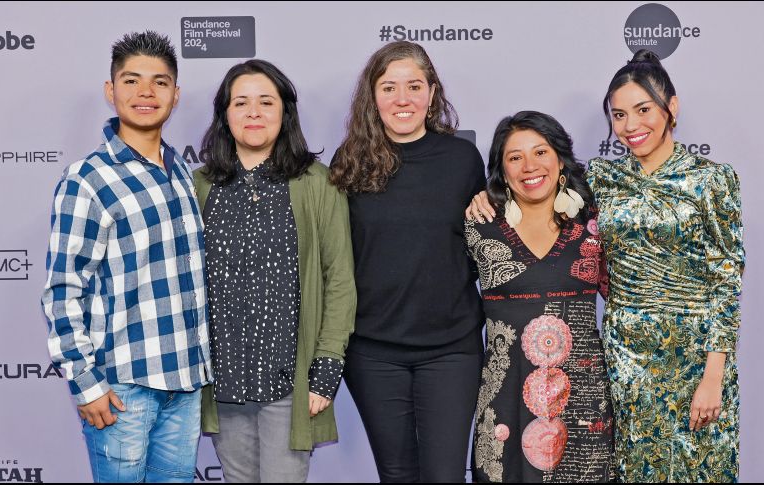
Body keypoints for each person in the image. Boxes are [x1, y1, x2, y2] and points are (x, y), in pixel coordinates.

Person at [468, 49, 744, 482]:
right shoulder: (602, 180)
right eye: (619, 115)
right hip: (623, 359)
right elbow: (538, 182)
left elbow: (726, 281)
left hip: (694, 355)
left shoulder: (713, 179)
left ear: (671, 107)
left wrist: (714, 374)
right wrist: (486, 194)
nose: (631, 125)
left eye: (643, 109)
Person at [41, 31, 212, 483]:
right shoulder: (87, 179)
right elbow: (62, 289)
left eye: (159, 82)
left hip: (184, 383)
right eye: (131, 80)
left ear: (176, 95)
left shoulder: (181, 172)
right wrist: (85, 383)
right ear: (110, 90)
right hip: (122, 389)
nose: (145, 92)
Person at [329, 40, 485, 482]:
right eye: (389, 87)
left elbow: (483, 247)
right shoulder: (350, 162)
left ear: (432, 93)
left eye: (414, 86)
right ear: (372, 96)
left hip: (451, 349)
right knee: (396, 475)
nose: (403, 99)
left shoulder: (462, 159)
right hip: (374, 352)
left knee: (445, 475)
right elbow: (336, 259)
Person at [193, 59, 356, 483]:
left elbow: (339, 281)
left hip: (290, 380)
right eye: (241, 102)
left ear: (285, 112)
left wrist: (325, 372)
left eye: (266, 102)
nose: (254, 112)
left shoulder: (317, 183)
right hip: (223, 380)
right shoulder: (199, 186)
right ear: (225, 114)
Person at [466, 111, 613, 482]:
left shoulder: (594, 223)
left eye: (541, 152)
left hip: (582, 399)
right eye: (515, 157)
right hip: (506, 400)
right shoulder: (479, 226)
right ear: (502, 171)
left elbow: (627, 297)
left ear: (560, 160)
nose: (529, 166)